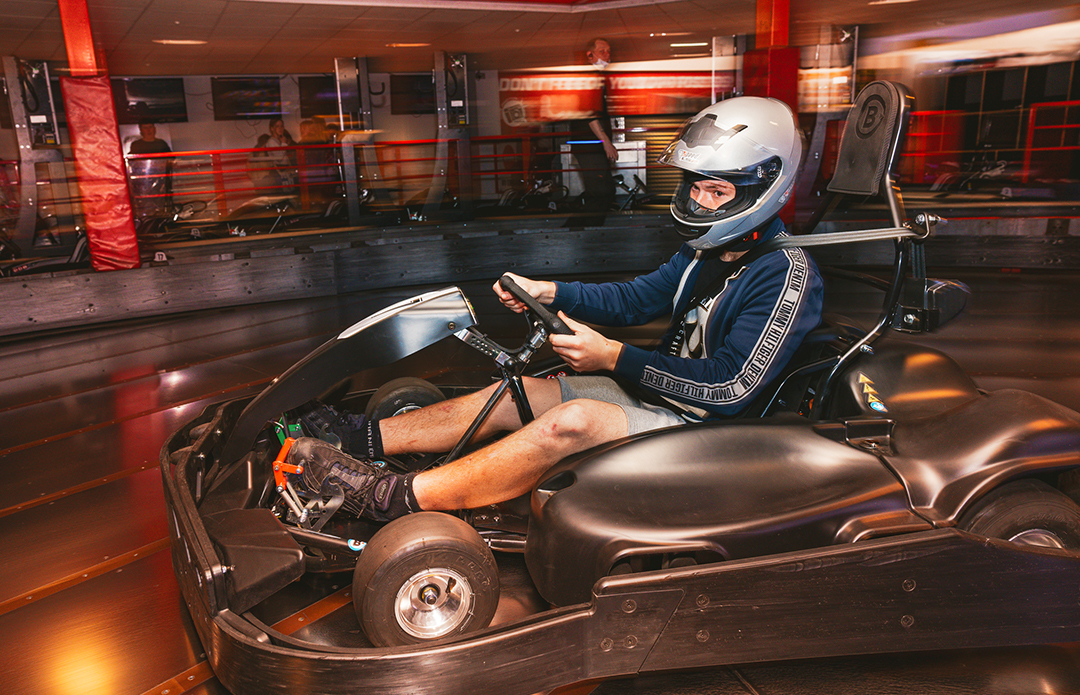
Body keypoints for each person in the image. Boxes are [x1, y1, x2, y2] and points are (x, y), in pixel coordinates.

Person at [288, 95, 824, 522]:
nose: (696, 203)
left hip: (718, 435)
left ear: (765, 186)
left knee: (570, 420)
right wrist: (550, 291)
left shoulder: (786, 274)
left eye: (712, 192)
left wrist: (614, 358)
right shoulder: (707, 249)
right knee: (520, 392)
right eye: (694, 188)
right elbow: (637, 298)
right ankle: (357, 438)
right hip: (664, 398)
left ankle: (392, 497)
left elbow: (730, 390)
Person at [565, 38, 618, 226]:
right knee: (602, 191)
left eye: (609, 51)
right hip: (589, 146)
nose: (607, 55)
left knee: (599, 191)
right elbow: (589, 115)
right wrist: (606, 142)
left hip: (590, 146)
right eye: (602, 51)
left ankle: (579, 229)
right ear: (590, 55)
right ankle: (583, 230)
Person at [128, 123, 173, 222]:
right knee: (144, 202)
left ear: (154, 129)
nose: (148, 130)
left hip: (161, 180)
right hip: (143, 181)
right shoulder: (136, 145)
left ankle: (159, 221)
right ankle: (146, 222)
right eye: (145, 127)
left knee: (160, 201)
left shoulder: (161, 143)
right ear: (141, 130)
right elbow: (132, 162)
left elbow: (171, 159)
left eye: (150, 127)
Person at [251, 118, 297, 190]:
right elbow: (279, 158)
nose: (280, 128)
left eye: (281, 126)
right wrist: (284, 144)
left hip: (286, 173)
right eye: (277, 126)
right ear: (272, 129)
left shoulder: (279, 140)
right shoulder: (271, 141)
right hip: (280, 174)